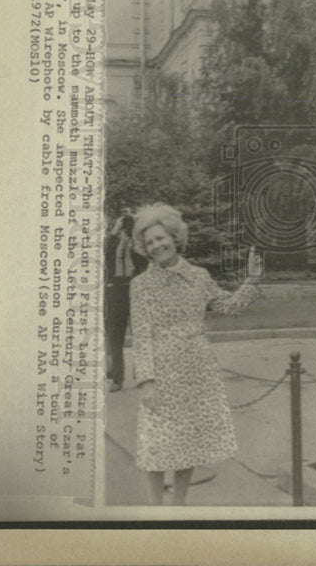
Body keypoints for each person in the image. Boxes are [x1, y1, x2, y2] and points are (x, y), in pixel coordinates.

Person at [129, 203, 262, 505]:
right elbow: (141, 335)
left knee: (186, 443)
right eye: (149, 242)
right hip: (161, 372)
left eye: (161, 238)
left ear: (175, 238)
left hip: (196, 369)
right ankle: (155, 511)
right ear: (145, 249)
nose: (156, 245)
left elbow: (229, 306)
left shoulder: (199, 277)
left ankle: (178, 507)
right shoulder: (141, 285)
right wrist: (146, 380)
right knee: (156, 445)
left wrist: (252, 279)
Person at [103, 210, 148, 391]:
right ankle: (116, 378)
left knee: (141, 337)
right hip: (115, 293)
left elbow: (145, 265)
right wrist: (115, 232)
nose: (124, 231)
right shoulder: (111, 246)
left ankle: (143, 376)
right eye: (123, 228)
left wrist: (135, 236)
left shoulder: (138, 246)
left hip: (135, 292)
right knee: (115, 338)